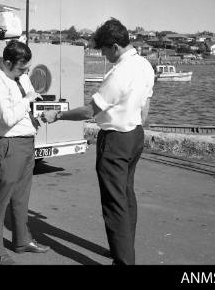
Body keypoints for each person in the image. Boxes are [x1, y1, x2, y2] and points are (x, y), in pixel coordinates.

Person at [41, 18, 154, 265]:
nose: (102, 54)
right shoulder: (145, 65)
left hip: (116, 139)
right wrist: (132, 120)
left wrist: (56, 114)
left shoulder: (119, 73)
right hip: (135, 135)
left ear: (114, 46)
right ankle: (122, 250)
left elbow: (89, 112)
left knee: (114, 203)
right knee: (126, 195)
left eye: (103, 49)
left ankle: (123, 261)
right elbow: (145, 106)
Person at [0, 39, 50, 265]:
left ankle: (22, 241)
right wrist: (28, 100)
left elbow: (25, 106)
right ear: (7, 62)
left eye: (27, 68)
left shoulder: (20, 76)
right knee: (1, 201)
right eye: (21, 68)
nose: (25, 72)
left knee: (21, 198)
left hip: (26, 142)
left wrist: (37, 112)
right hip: (7, 144)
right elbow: (7, 117)